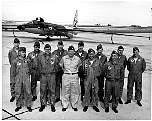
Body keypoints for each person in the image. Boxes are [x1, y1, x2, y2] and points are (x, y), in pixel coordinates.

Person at [59, 45, 81, 112]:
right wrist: (65, 71)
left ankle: (74, 105)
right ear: (68, 51)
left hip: (74, 75)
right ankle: (65, 105)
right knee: (65, 91)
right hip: (66, 76)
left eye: (72, 51)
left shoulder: (77, 58)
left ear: (74, 52)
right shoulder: (64, 58)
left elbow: (80, 66)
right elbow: (60, 65)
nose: (71, 53)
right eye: (69, 51)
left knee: (75, 91)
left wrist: (76, 73)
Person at [38, 44, 58, 112]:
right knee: (43, 90)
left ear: (50, 49)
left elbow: (56, 66)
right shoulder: (40, 56)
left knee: (52, 90)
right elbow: (38, 65)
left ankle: (52, 104)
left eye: (49, 49)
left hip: (51, 75)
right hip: (43, 76)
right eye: (46, 49)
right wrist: (41, 73)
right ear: (44, 49)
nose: (47, 50)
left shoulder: (54, 56)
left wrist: (53, 73)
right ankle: (42, 104)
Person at [12, 47, 32, 112]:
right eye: (23, 52)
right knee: (18, 92)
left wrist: (28, 75)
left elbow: (30, 69)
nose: (24, 53)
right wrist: (14, 80)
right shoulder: (15, 61)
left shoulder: (28, 60)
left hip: (26, 78)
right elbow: (13, 72)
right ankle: (18, 105)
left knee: (28, 92)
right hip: (18, 78)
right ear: (19, 52)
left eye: (25, 52)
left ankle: (28, 105)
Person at [8, 38, 20, 102]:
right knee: (12, 82)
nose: (16, 44)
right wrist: (13, 65)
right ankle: (13, 95)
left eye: (17, 43)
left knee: (19, 82)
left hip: (20, 68)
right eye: (15, 43)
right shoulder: (10, 51)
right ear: (14, 43)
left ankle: (20, 94)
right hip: (13, 68)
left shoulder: (21, 50)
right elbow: (10, 60)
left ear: (19, 43)